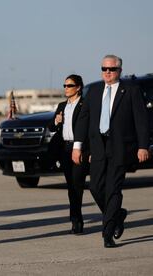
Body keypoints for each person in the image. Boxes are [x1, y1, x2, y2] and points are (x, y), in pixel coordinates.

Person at [73, 54, 150, 248]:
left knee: (113, 189)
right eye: (104, 69)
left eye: (111, 69)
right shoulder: (94, 91)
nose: (107, 72)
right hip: (98, 147)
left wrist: (143, 146)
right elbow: (84, 120)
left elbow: (141, 120)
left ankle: (107, 233)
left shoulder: (131, 90)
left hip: (121, 148)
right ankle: (118, 214)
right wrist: (78, 146)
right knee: (95, 187)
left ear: (119, 71)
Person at [48, 74, 88, 235]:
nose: (66, 88)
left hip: (79, 149)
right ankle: (74, 218)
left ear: (78, 87)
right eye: (64, 85)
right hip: (64, 149)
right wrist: (57, 121)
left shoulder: (85, 105)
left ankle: (77, 221)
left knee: (77, 185)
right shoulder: (62, 105)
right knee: (71, 186)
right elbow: (51, 127)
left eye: (69, 85)